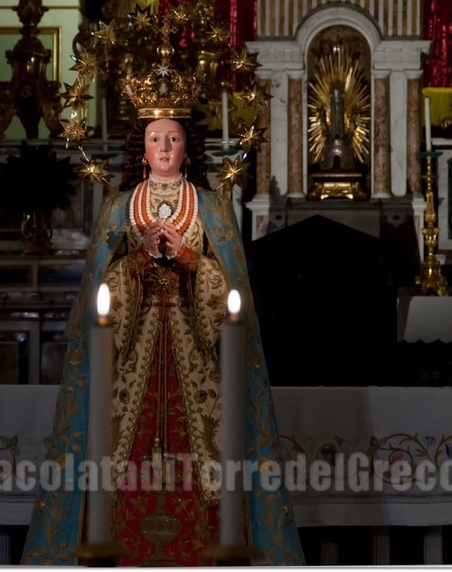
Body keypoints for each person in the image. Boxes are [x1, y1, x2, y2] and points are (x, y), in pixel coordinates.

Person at [21, 106, 304, 566]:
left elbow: (232, 298)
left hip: (199, 361)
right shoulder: (119, 208)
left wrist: (189, 259)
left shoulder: (210, 207)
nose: (165, 149)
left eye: (173, 138)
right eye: (156, 139)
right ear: (142, 149)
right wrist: (139, 261)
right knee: (113, 462)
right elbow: (100, 295)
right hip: (129, 363)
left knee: (212, 464)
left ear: (188, 146)